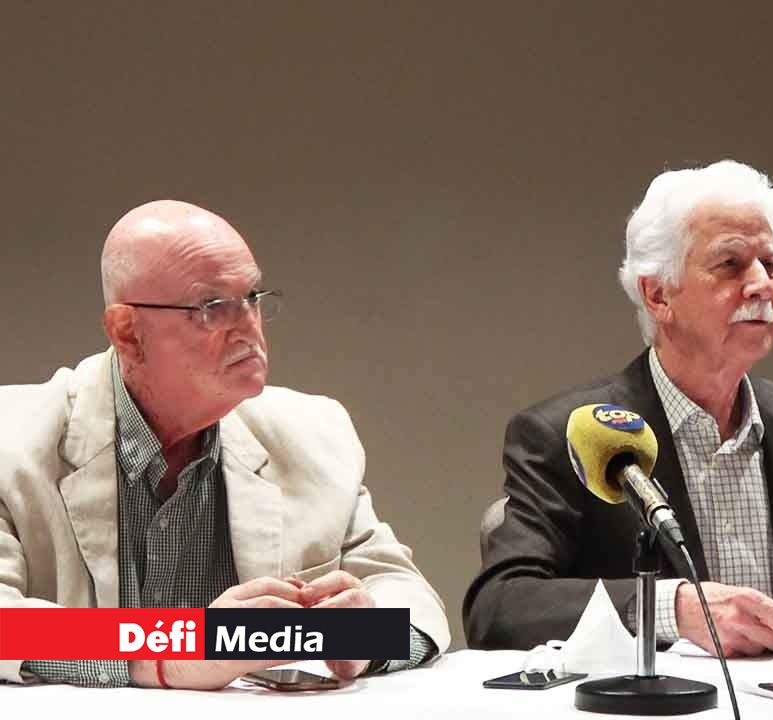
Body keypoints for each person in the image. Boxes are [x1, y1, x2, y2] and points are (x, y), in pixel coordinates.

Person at [0, 200, 449, 687]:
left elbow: (409, 596)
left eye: (252, 297)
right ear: (128, 332)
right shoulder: (13, 438)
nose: (249, 327)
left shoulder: (315, 435)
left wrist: (364, 636)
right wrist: (174, 651)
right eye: (212, 308)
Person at [464, 160, 773, 656]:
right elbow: (499, 607)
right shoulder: (569, 435)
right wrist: (670, 609)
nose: (761, 285)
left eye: (770, 264)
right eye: (731, 265)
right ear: (658, 295)